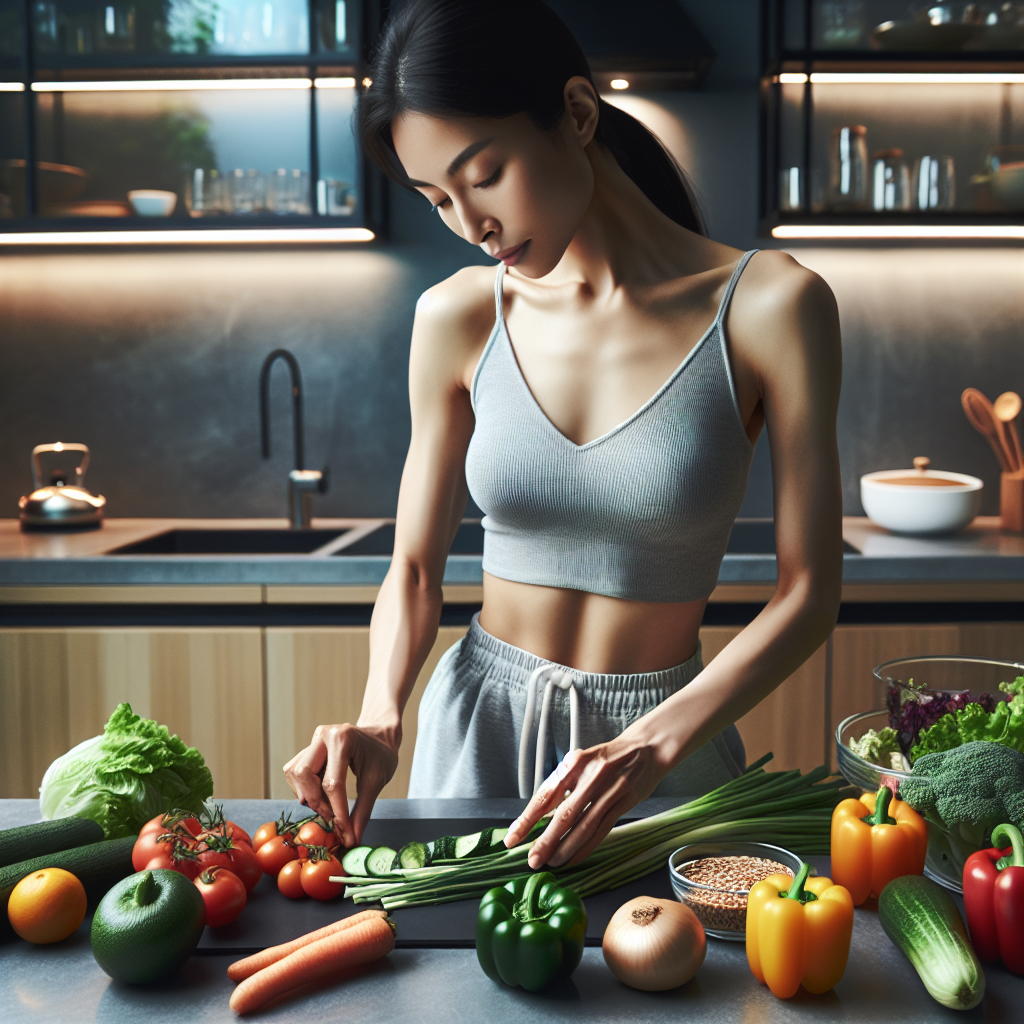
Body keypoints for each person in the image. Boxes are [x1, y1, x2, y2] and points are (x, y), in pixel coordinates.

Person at [285, 0, 842, 871]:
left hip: (664, 746)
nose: (471, 225)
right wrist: (380, 713)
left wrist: (657, 740)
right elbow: (416, 569)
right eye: (439, 199)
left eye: (485, 173)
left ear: (577, 115)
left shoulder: (772, 306)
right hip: (473, 732)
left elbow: (810, 590)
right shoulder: (458, 317)